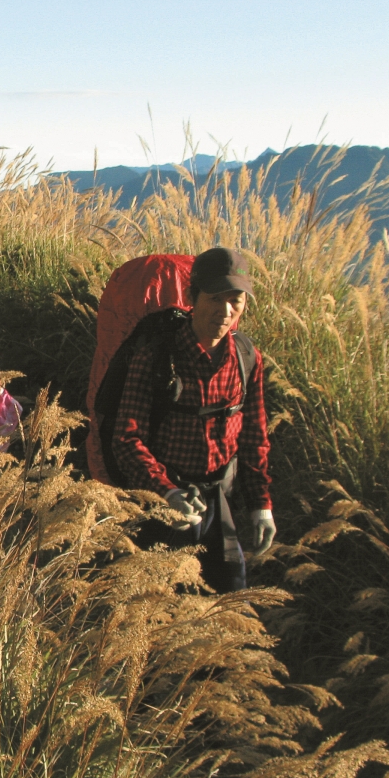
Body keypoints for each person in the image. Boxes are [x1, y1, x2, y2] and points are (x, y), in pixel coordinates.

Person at [108, 247, 274, 593]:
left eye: (236, 301)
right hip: (165, 501)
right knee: (157, 605)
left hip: (218, 500)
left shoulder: (246, 358)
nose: (226, 311)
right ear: (193, 296)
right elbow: (127, 438)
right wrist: (167, 491)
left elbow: (255, 436)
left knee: (229, 600)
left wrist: (261, 504)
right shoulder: (158, 356)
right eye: (215, 298)